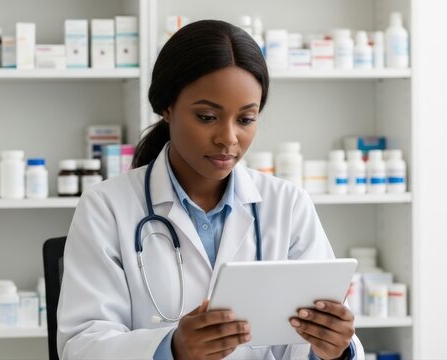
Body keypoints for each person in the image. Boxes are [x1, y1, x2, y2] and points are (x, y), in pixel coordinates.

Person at [57, 20, 364, 359]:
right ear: (167, 107)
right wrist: (171, 349)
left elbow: (315, 334)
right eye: (207, 117)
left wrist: (334, 347)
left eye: (245, 119)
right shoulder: (107, 207)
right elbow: (81, 345)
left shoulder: (288, 204)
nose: (228, 138)